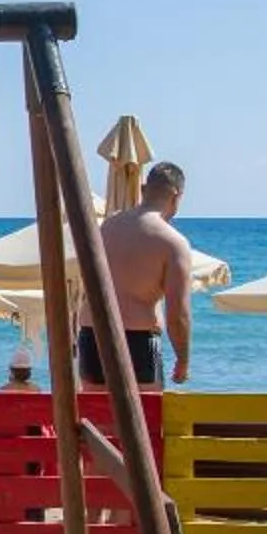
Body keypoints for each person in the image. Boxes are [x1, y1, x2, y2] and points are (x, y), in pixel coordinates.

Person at [81, 161, 194, 387]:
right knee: (146, 419)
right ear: (177, 195)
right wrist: (183, 361)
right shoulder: (173, 243)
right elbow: (178, 315)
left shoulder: (107, 227)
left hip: (93, 335)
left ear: (143, 189)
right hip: (139, 340)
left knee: (96, 416)